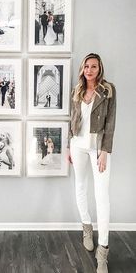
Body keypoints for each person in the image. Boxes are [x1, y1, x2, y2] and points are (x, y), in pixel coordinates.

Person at [67, 53, 116, 273]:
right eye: (86, 66)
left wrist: (104, 150)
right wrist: (69, 144)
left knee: (102, 196)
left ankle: (103, 252)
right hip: (77, 144)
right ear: (82, 69)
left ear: (99, 68)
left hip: (98, 147)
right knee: (80, 187)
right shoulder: (76, 91)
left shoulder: (108, 90)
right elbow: (72, 118)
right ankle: (87, 227)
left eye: (93, 66)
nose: (89, 70)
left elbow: (111, 123)